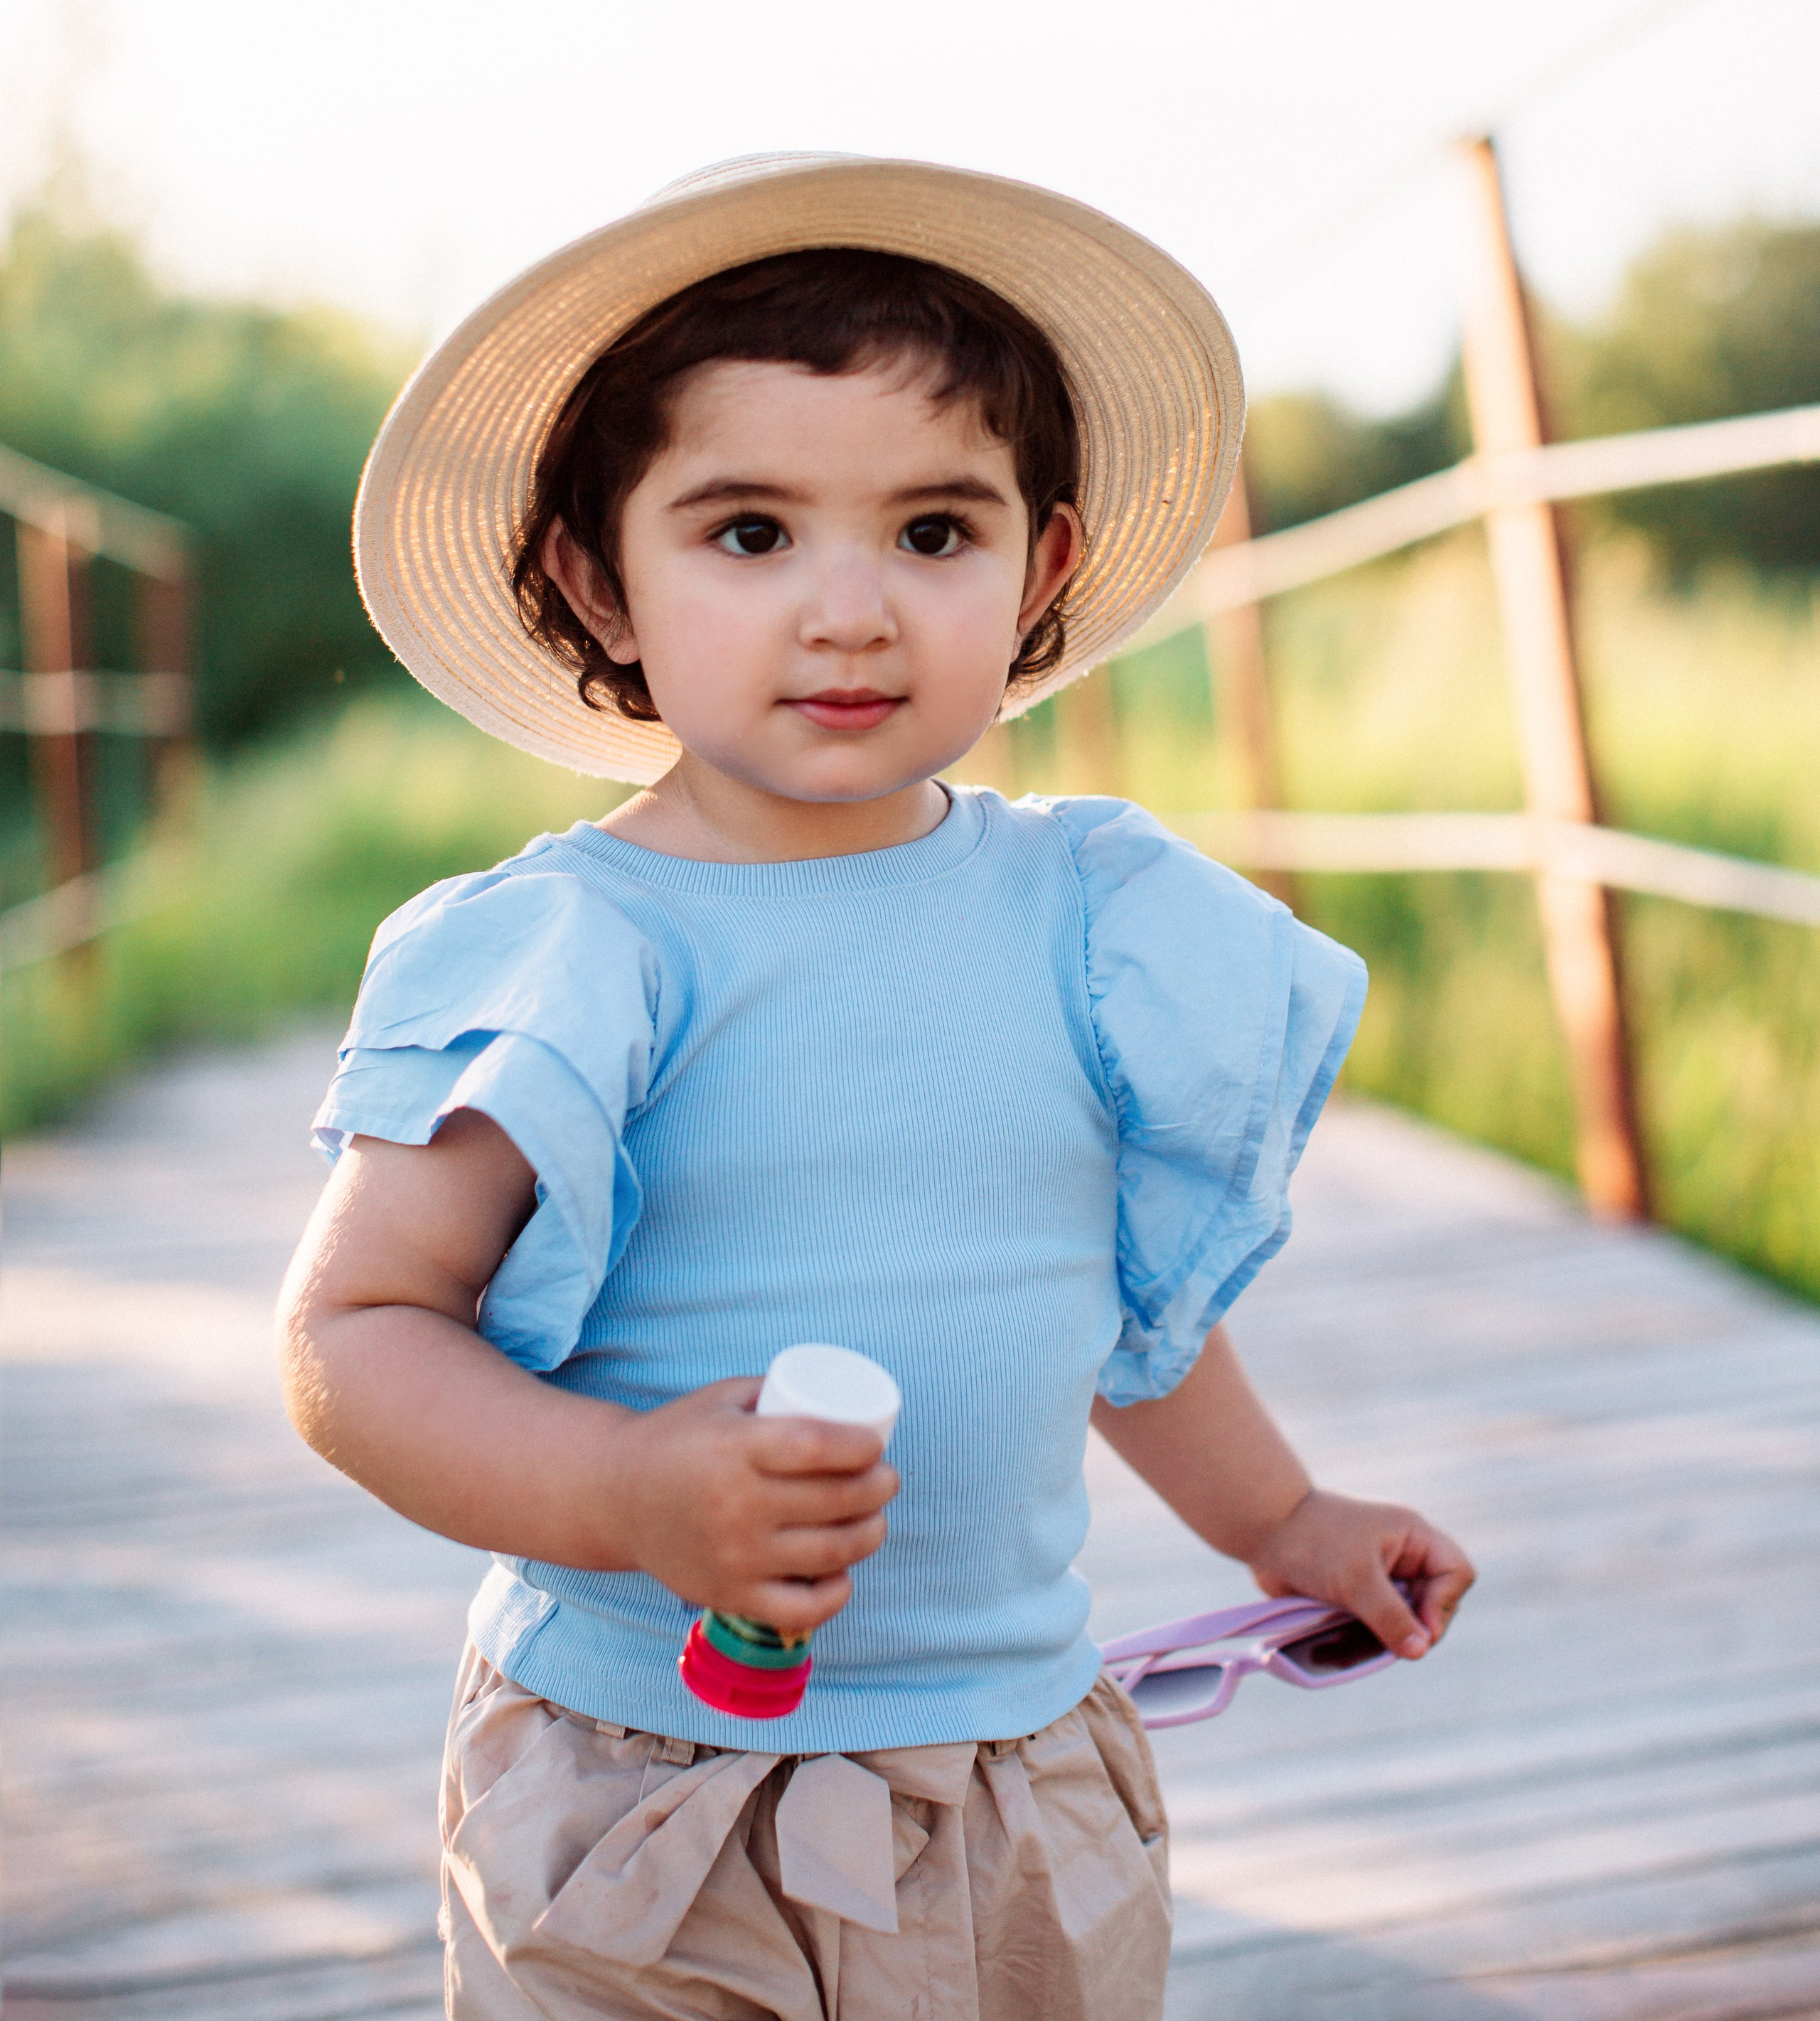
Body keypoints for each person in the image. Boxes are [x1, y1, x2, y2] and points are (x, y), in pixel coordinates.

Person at [277, 154, 1474, 2021]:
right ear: (603, 580)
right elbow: (354, 1335)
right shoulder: (579, 948)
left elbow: (1115, 1307)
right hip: (644, 1793)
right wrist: (623, 1490)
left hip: (1017, 1783)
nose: (851, 612)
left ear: (1043, 567)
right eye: (749, 534)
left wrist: (1280, 1524)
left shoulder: (1089, 917)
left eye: (934, 533)